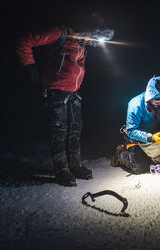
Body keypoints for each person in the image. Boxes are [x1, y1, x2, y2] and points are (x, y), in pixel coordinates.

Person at [15, 23, 111, 186]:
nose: (91, 42)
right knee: (59, 131)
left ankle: (75, 165)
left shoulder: (82, 43)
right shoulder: (61, 33)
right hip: (56, 90)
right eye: (92, 38)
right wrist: (32, 72)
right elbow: (24, 42)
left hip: (73, 91)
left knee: (75, 129)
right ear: (88, 30)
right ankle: (61, 169)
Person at [112, 76, 160, 174]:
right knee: (140, 169)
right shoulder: (135, 104)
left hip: (154, 130)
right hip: (136, 134)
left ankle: (153, 155)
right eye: (157, 98)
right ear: (150, 95)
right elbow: (131, 130)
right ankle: (119, 153)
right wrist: (151, 138)